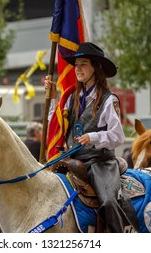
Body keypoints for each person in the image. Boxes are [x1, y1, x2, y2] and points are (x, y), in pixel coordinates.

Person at [44, 42, 138, 233]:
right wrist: (53, 98)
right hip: (71, 159)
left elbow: (118, 136)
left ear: (96, 67)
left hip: (99, 162)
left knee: (109, 201)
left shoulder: (108, 99)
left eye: (83, 64)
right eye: (76, 65)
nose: (78, 69)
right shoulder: (72, 97)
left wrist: (93, 137)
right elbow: (58, 125)